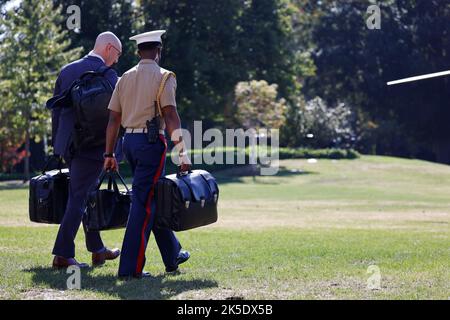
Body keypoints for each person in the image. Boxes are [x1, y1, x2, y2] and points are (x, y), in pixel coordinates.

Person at [103, 30, 191, 278]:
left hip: (128, 142)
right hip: (151, 144)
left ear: (139, 52)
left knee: (150, 198)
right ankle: (130, 270)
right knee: (142, 204)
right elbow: (171, 115)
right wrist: (182, 153)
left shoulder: (124, 78)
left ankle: (172, 254)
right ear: (158, 52)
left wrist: (108, 153)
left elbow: (113, 119)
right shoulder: (164, 77)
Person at [50, 32, 122, 268]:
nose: (117, 60)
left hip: (71, 146)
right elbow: (116, 114)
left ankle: (97, 250)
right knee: (79, 197)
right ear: (109, 48)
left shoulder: (67, 70)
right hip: (95, 147)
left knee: (86, 195)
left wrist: (58, 145)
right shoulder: (109, 75)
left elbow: (57, 112)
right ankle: (62, 255)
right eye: (118, 54)